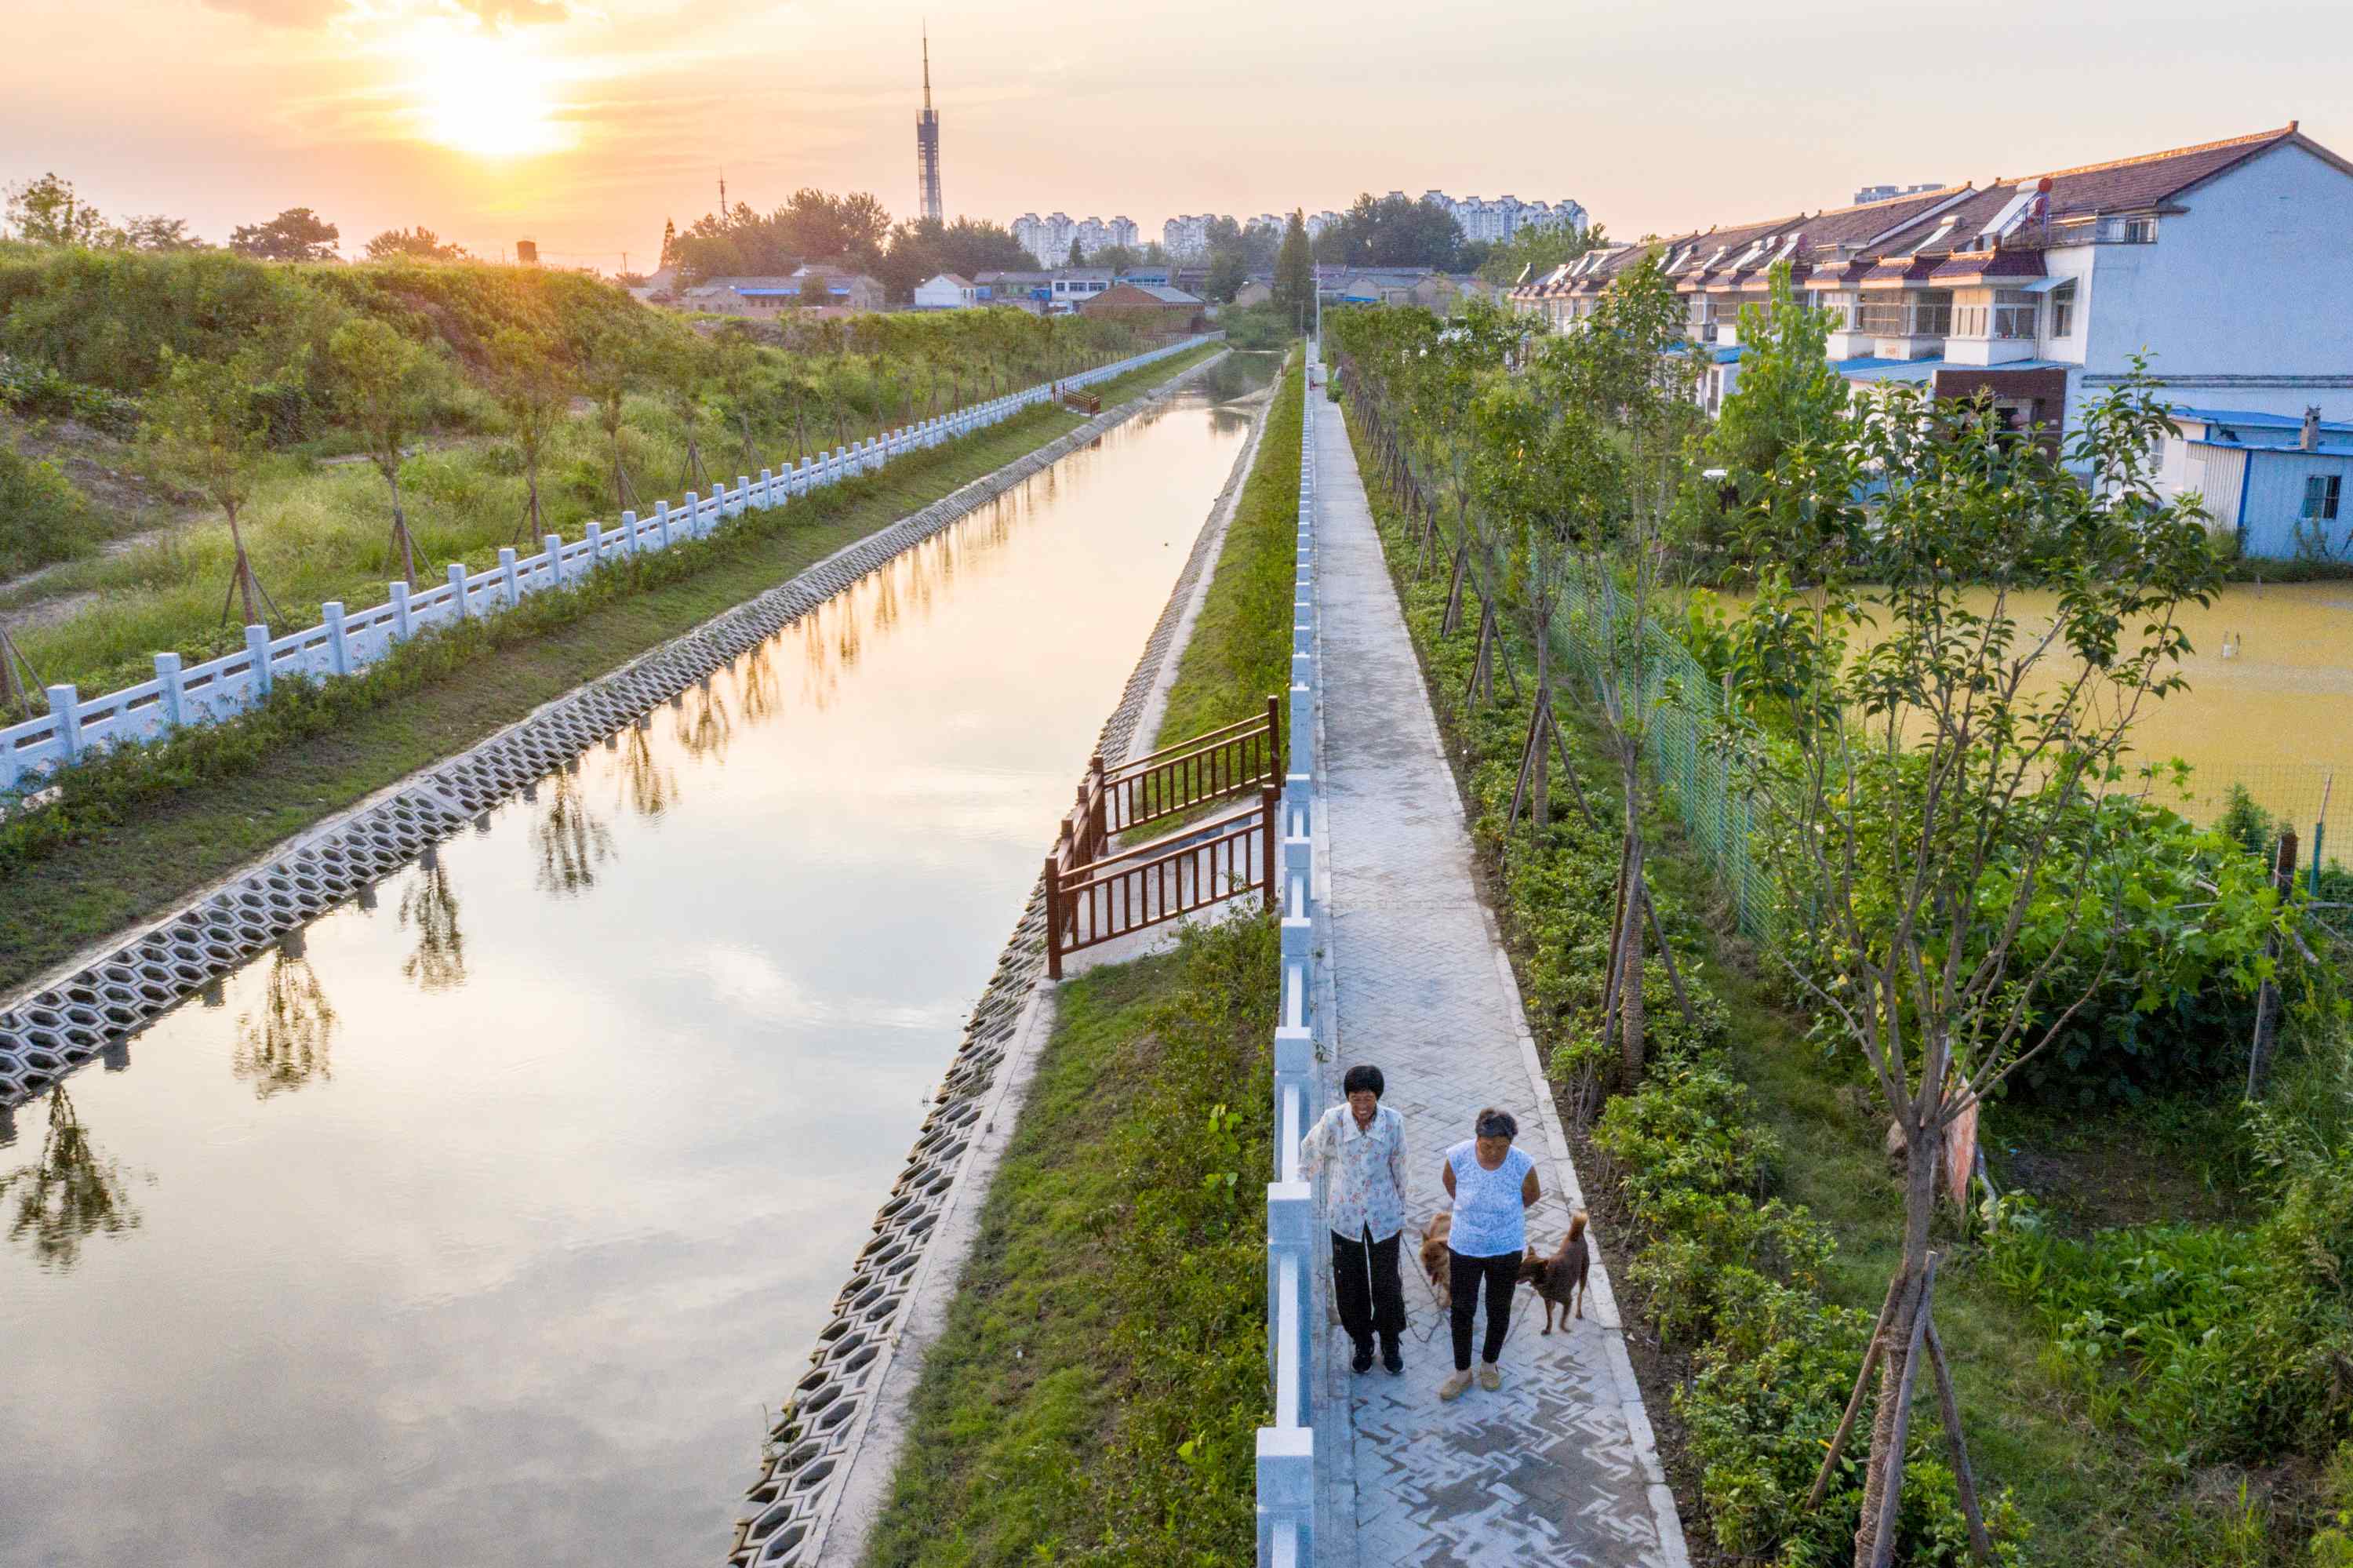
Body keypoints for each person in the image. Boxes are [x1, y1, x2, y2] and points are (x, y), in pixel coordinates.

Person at [1297, 1064, 1409, 1375]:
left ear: (1377, 1097)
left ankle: (1390, 1341)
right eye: (1355, 1098)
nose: (1362, 1106)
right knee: (1349, 1283)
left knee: (1387, 1283)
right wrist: (1301, 1182)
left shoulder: (1393, 1122)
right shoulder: (1333, 1120)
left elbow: (1400, 1165)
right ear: (1347, 1098)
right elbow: (1312, 1150)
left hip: (1384, 1215)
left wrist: (1402, 1207)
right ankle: (1362, 1341)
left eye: (1368, 1098)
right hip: (1345, 1216)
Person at [1437, 1106, 1538, 1401]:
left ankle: (1490, 1365)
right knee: (1462, 1309)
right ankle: (1462, 1373)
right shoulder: (1458, 1155)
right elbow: (1450, 1184)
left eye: (1501, 1147)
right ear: (1477, 1138)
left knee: (1499, 1308)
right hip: (1465, 1246)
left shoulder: (1522, 1163)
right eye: (1487, 1146)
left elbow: (1532, 1195)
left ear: (1511, 1143)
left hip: (1505, 1248)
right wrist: (1473, 1212)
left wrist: (1503, 1216)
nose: (1494, 1152)